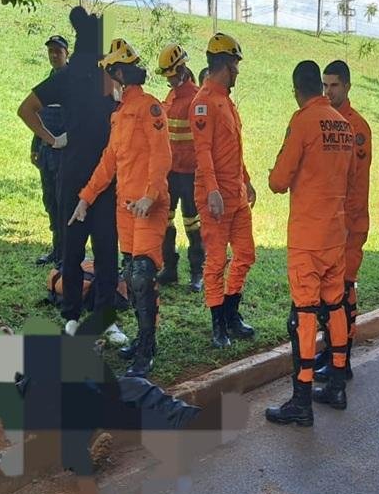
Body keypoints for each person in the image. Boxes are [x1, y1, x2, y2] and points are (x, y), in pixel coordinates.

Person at [69, 39, 172, 377]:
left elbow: (161, 156)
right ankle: (145, 340)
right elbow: (108, 163)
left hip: (147, 208)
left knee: (142, 277)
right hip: (124, 209)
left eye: (108, 75)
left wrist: (150, 195)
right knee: (131, 274)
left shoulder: (150, 108)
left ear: (119, 75)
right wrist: (85, 198)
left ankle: (146, 350)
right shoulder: (118, 116)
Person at [17, 8, 119, 338]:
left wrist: (54, 140)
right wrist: (51, 139)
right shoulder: (95, 78)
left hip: (88, 173)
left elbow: (26, 108)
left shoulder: (85, 77)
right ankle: (86, 316)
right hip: (89, 175)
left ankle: (78, 317)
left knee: (83, 250)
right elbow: (26, 109)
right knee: (98, 249)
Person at [265, 60, 356, 426]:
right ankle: (336, 384)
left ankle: (301, 398)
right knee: (334, 307)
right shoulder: (344, 125)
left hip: (307, 236)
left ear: (295, 90)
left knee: (303, 316)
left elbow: (278, 180)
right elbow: (349, 179)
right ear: (319, 87)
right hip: (335, 233)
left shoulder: (302, 121)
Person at [190, 33, 257, 348]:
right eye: (236, 65)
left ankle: (231, 313)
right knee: (216, 261)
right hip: (214, 197)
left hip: (237, 195)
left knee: (245, 255)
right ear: (225, 64)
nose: (239, 72)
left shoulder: (227, 102)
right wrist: (213, 191)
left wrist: (247, 180)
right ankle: (218, 324)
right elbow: (203, 152)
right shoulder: (203, 102)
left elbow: (234, 149)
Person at [312, 60, 371, 382]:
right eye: (324, 85)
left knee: (343, 291)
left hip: (350, 223)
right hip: (330, 224)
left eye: (334, 85)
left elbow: (353, 181)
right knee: (327, 292)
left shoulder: (356, 127)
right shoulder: (327, 121)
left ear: (347, 87)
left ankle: (342, 357)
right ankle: (331, 350)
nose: (328, 91)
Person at [154, 44, 205, 293]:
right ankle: (170, 268)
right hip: (170, 170)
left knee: (193, 223)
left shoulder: (196, 98)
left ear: (183, 69)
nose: (171, 80)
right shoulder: (171, 97)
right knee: (165, 219)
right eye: (168, 77)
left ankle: (197, 272)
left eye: (173, 75)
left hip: (191, 172)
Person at [31, 35, 68, 267]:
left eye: (58, 51)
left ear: (67, 54)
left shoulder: (72, 84)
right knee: (50, 201)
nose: (54, 55)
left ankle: (67, 252)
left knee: (64, 201)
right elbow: (38, 118)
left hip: (64, 152)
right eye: (51, 51)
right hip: (46, 152)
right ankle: (57, 249)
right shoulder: (49, 81)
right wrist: (35, 147)